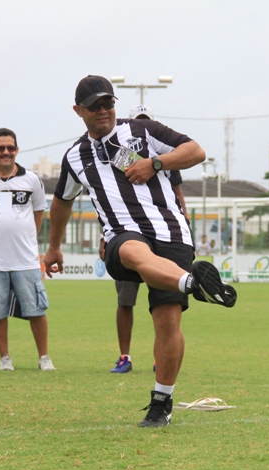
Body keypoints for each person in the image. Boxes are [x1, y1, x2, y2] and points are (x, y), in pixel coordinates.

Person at [44, 75, 237, 427]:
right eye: (94, 106)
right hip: (122, 233)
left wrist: (156, 163)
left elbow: (196, 151)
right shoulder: (75, 156)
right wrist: (54, 247)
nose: (103, 111)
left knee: (167, 322)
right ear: (78, 111)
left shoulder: (141, 132)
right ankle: (194, 285)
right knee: (132, 251)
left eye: (108, 104)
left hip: (171, 232)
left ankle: (161, 403)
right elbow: (61, 202)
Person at [106, 104, 189, 374]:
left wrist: (184, 223)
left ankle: (159, 359)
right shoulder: (115, 153)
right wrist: (104, 235)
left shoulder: (164, 155)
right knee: (125, 301)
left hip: (165, 234)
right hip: (128, 233)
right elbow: (106, 198)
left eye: (146, 122)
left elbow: (177, 194)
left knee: (165, 309)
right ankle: (124, 355)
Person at [0, 128, 54, 372]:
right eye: (0, 148)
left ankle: (44, 358)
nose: (5, 153)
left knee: (36, 308)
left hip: (25, 259)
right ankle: (5, 358)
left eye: (10, 148)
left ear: (17, 150)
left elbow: (39, 212)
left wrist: (26, 235)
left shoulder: (32, 180)